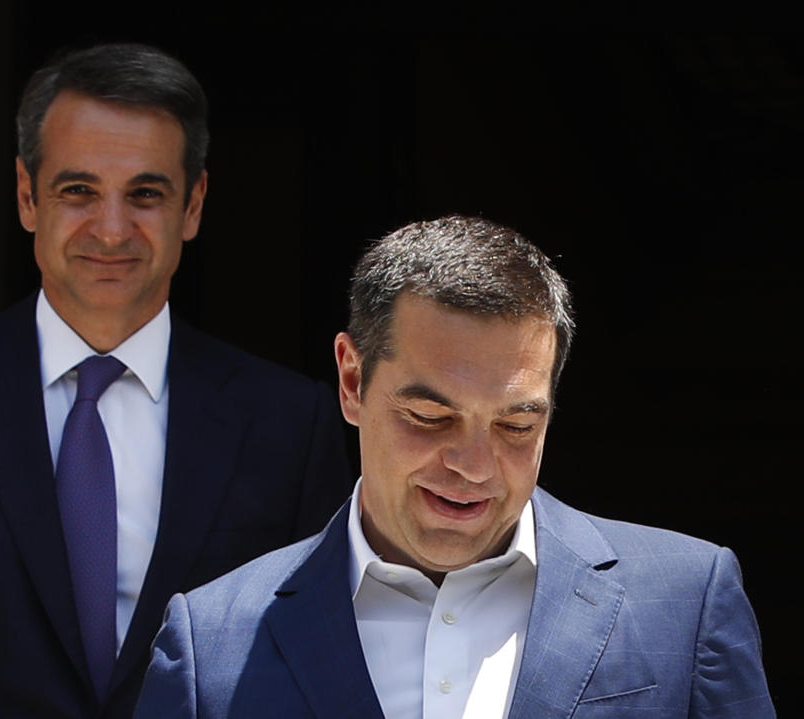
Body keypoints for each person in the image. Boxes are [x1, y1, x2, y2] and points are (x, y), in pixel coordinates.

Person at [0, 43, 351, 718]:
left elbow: (316, 674)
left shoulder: (291, 424)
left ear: (193, 206)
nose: (111, 230)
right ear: (27, 196)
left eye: (145, 193)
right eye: (77, 190)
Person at [134, 215, 775, 718]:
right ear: (352, 380)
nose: (474, 465)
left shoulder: (686, 603)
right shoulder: (212, 643)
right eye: (430, 417)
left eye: (515, 426)